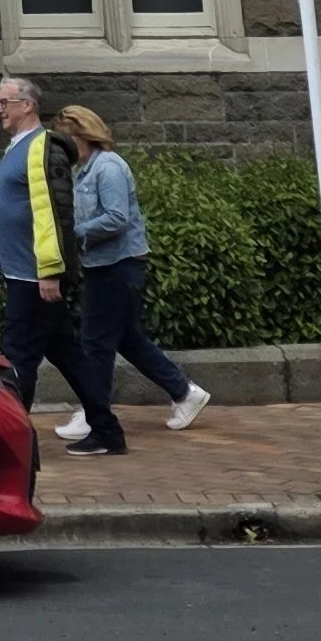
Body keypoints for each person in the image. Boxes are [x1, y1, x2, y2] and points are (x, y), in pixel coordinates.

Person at [0, 69, 125, 455]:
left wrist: (52, 271)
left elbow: (56, 213)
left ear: (26, 105)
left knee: (18, 356)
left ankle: (13, 444)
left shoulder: (45, 148)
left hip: (34, 276)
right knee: (69, 357)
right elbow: (4, 209)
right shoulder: (16, 148)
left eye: (4, 103)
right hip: (21, 272)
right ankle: (107, 432)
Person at [52, 105, 210, 443]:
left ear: (82, 135)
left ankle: (94, 414)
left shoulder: (107, 168)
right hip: (107, 266)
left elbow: (115, 218)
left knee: (95, 342)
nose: (62, 150)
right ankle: (183, 392)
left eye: (66, 140)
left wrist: (74, 234)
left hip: (117, 266)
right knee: (126, 338)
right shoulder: (86, 170)